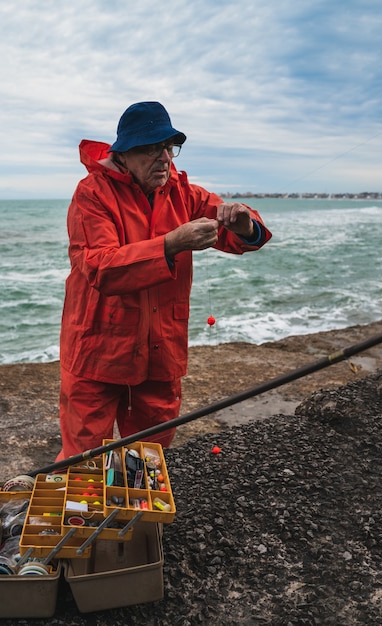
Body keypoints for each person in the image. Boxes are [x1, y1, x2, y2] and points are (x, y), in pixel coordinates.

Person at [56, 101, 272, 460]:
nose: (164, 157)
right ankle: (88, 515)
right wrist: (171, 245)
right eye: (149, 148)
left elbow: (243, 235)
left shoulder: (184, 193)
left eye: (168, 147)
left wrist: (243, 223)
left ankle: (137, 516)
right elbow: (100, 267)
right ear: (122, 154)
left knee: (149, 455)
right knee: (83, 457)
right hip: (97, 347)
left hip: (161, 349)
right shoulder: (91, 193)